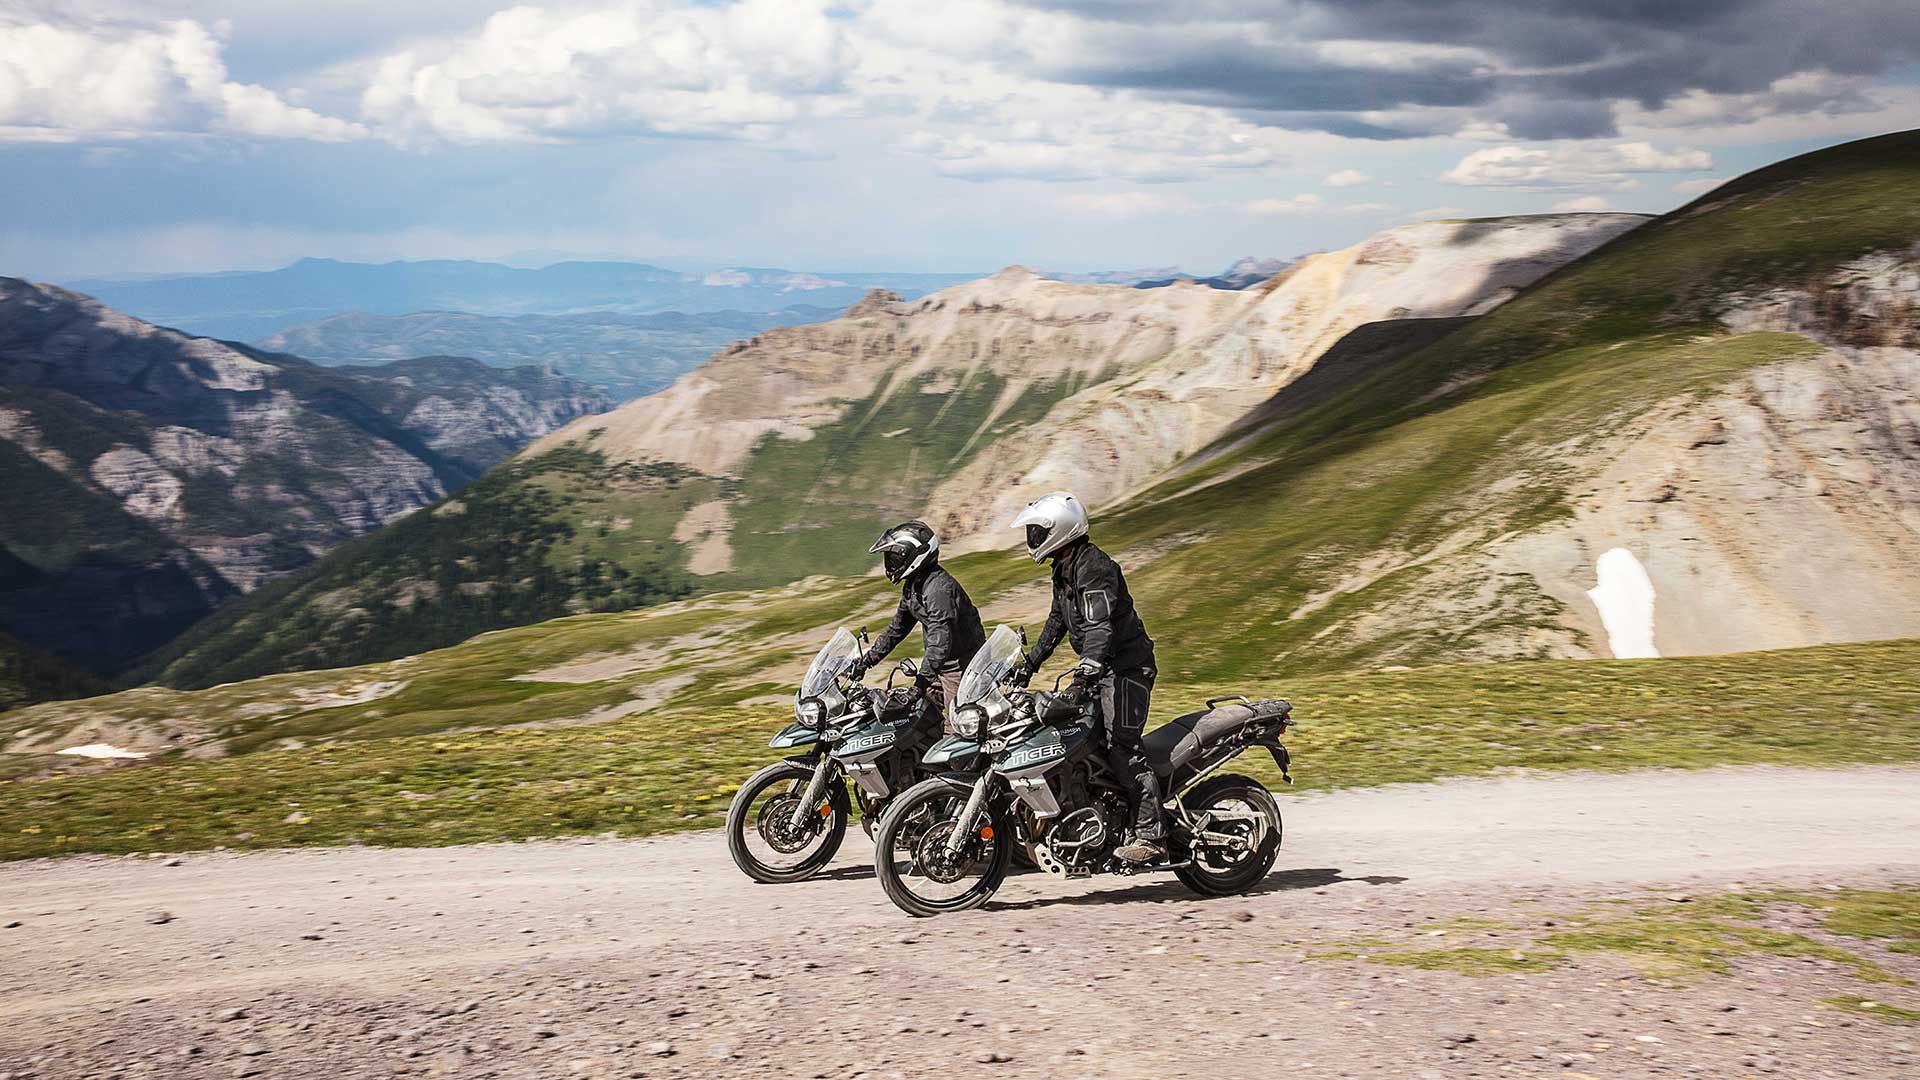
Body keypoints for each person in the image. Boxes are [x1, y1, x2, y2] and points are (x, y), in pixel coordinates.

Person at [1008, 491, 1163, 863]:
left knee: (1121, 745)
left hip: (1127, 669)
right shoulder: (1064, 568)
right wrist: (1028, 663)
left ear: (1058, 530)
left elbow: (1100, 626)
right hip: (1101, 670)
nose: (1031, 539)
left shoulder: (1094, 567)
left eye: (1035, 531)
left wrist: (1087, 669)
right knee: (1079, 740)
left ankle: (1150, 833)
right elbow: (1057, 622)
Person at [849, 521, 986, 733]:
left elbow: (940, 642)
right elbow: (897, 629)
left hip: (960, 668)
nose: (890, 564)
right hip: (939, 667)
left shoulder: (938, 589)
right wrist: (866, 661)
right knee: (911, 721)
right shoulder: (914, 586)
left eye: (893, 557)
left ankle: (964, 765)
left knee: (955, 733)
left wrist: (920, 685)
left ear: (912, 556)